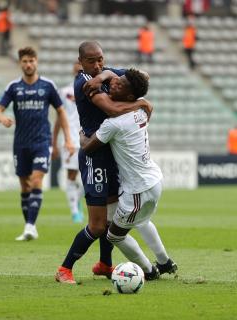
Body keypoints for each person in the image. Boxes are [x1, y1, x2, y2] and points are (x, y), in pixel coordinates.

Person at [55, 41, 152, 284]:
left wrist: (108, 73)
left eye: (100, 58)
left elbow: (143, 76)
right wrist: (140, 104)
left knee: (111, 218)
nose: (98, 64)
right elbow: (110, 108)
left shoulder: (105, 73)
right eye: (92, 61)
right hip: (94, 157)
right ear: (81, 62)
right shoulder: (84, 83)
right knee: (98, 225)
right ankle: (64, 269)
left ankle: (105, 264)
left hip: (110, 156)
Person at [79, 68, 177, 279]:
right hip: (154, 180)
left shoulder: (113, 124)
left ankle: (149, 271)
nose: (114, 83)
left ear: (130, 96)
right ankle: (165, 261)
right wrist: (105, 75)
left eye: (120, 85)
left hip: (137, 191)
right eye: (116, 80)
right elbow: (139, 93)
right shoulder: (142, 110)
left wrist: (81, 134)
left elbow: (88, 147)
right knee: (142, 222)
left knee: (114, 235)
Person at [0, 47, 75, 241]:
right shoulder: (14, 87)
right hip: (20, 143)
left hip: (41, 141)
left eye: (31, 61)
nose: (28, 64)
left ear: (36, 62)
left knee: (37, 180)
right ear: (20, 64)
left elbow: (61, 111)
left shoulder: (47, 86)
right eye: (25, 61)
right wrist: (2, 118)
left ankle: (30, 226)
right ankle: (30, 225)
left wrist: (68, 138)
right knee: (24, 186)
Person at [52, 62, 84, 223]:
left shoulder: (94, 90)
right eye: (77, 64)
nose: (79, 67)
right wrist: (54, 141)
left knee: (90, 179)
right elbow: (59, 118)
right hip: (70, 140)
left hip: (90, 139)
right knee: (71, 176)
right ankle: (74, 211)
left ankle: (77, 198)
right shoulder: (64, 92)